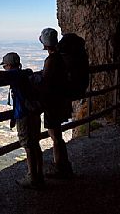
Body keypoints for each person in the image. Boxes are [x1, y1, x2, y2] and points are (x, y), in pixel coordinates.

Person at [0, 52, 44, 189]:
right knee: (35, 144)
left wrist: (3, 74)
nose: (4, 68)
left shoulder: (15, 75)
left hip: (24, 115)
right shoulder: (25, 74)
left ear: (9, 65)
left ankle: (32, 177)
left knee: (28, 145)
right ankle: (39, 175)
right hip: (34, 112)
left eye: (5, 66)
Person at [37, 28, 74, 179]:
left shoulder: (51, 60)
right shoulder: (61, 57)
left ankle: (61, 167)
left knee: (55, 135)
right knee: (56, 134)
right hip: (62, 99)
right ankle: (63, 165)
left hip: (53, 102)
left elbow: (46, 81)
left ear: (45, 45)